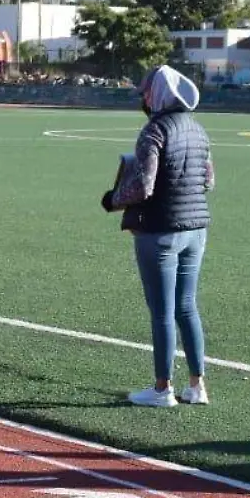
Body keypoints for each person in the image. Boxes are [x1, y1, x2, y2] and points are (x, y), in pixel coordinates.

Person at [101, 65, 213, 408]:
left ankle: (163, 388)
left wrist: (113, 199)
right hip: (196, 229)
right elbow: (208, 181)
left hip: (160, 231)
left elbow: (144, 185)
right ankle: (197, 385)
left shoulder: (154, 131)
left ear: (158, 95)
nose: (143, 98)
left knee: (162, 311)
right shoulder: (198, 130)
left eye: (146, 92)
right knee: (186, 307)